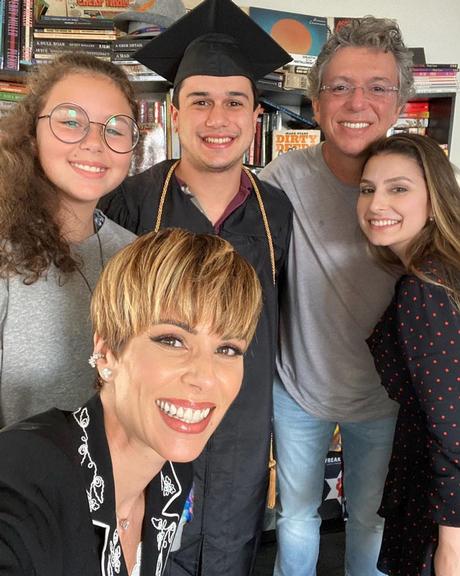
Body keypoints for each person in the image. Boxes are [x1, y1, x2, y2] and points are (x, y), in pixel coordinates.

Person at [99, 1, 293, 574]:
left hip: (243, 427)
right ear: (174, 115)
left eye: (235, 102)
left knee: (232, 548)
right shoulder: (128, 203)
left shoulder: (275, 211)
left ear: (255, 118)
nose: (218, 118)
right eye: (200, 101)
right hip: (150, 423)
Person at [0, 227, 263, 576]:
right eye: (172, 340)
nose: (205, 376)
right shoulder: (21, 475)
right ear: (107, 352)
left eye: (228, 349)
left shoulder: (172, 473)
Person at [258, 17, 414, 576]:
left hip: (386, 397)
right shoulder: (280, 179)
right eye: (340, 86)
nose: (358, 102)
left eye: (378, 87)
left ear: (401, 104)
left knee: (372, 518)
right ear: (317, 102)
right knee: (297, 516)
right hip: (298, 387)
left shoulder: (422, 183)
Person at [0, 53, 138, 427]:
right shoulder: (4, 250)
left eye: (114, 128)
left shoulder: (134, 255)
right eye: (71, 121)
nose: (94, 142)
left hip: (109, 479)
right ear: (32, 135)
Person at [357, 133, 460, 576]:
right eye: (368, 189)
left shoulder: (426, 289)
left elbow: (451, 428)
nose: (377, 203)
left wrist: (450, 547)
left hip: (442, 512)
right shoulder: (441, 272)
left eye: (398, 188)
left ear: (434, 200)